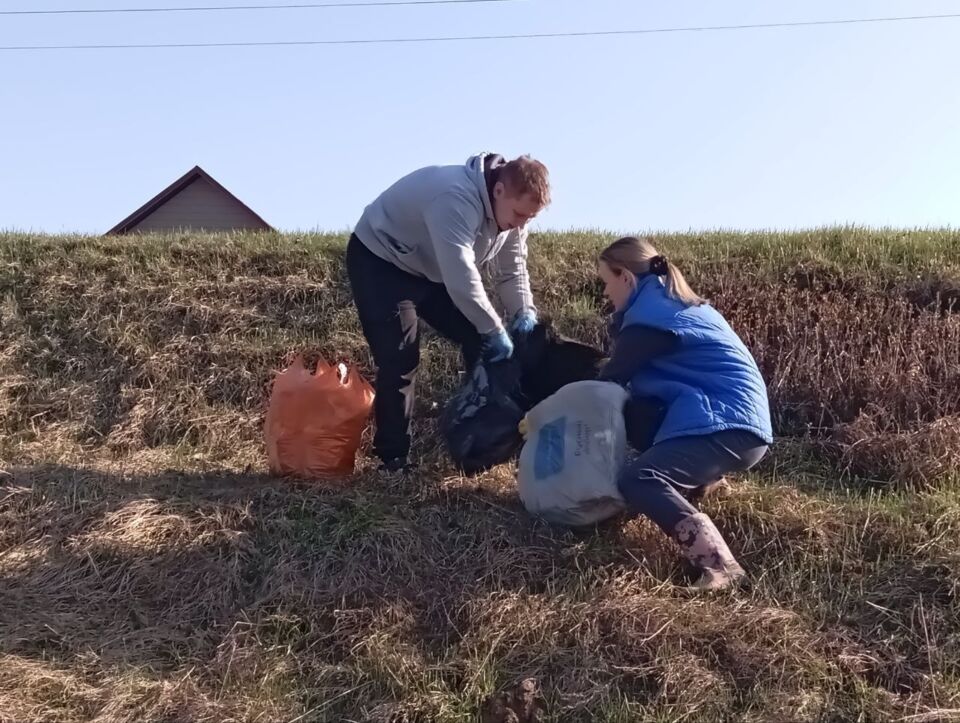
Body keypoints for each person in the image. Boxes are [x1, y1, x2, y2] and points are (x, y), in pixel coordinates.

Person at [346, 153, 550, 472]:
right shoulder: (454, 197)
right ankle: (393, 459)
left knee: (480, 343)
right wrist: (494, 330)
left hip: (432, 269)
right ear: (499, 191)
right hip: (381, 261)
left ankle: (479, 440)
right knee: (400, 358)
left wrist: (524, 312)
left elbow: (512, 271)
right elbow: (461, 278)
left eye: (530, 218)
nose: (522, 224)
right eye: (520, 214)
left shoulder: (512, 217)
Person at [597, 236, 773, 591]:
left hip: (727, 426)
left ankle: (720, 565)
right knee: (637, 413)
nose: (605, 293)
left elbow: (606, 382)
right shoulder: (672, 304)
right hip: (737, 421)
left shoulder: (649, 319)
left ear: (626, 278)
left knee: (638, 479)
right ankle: (703, 480)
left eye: (605, 281)